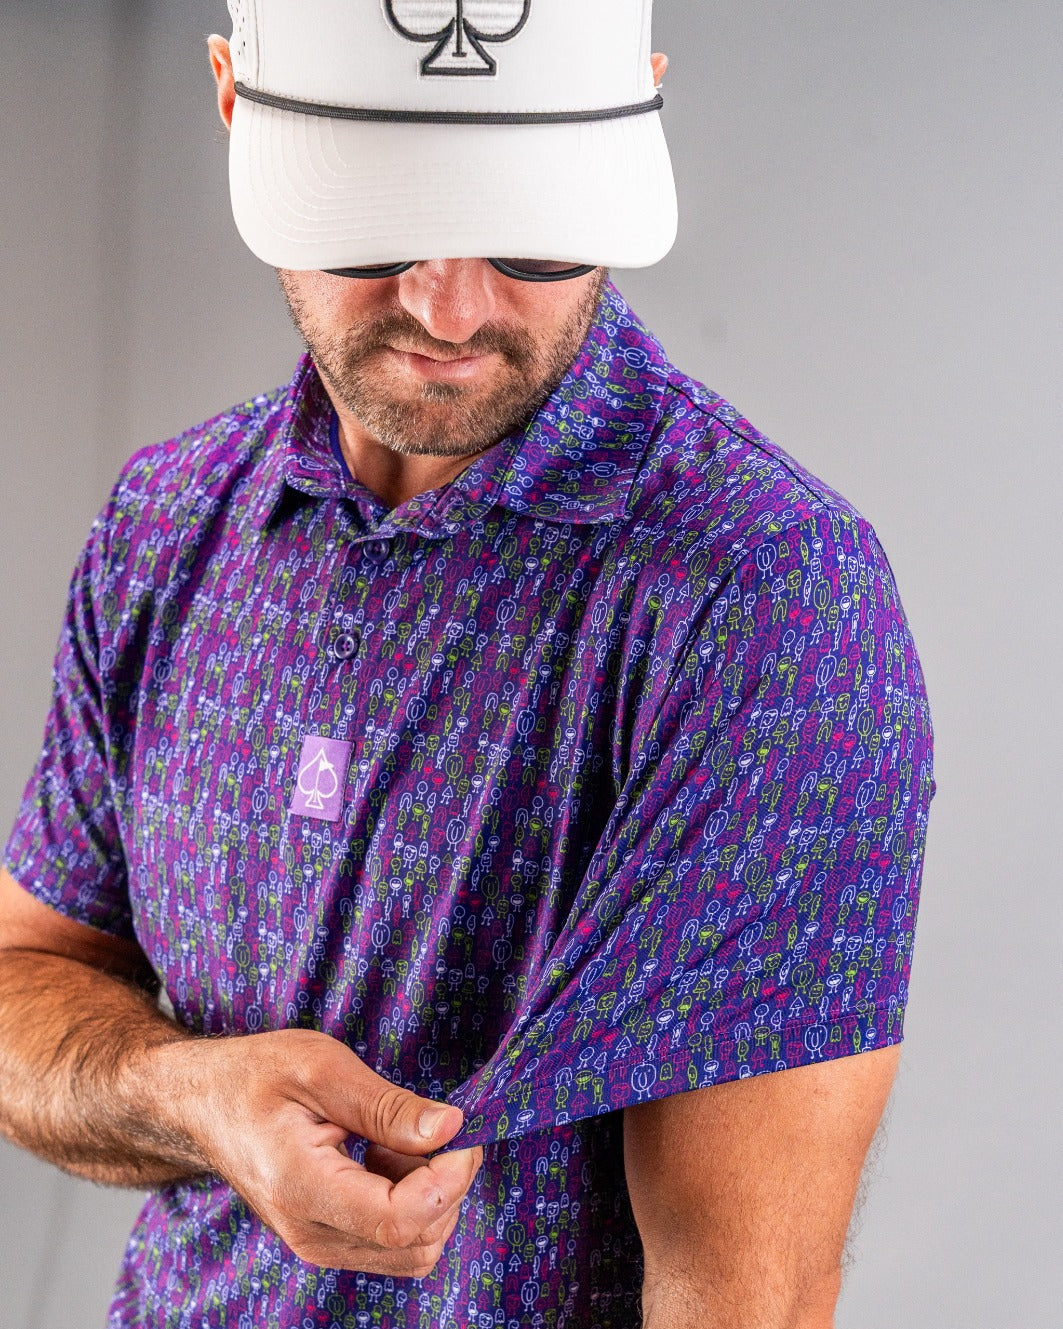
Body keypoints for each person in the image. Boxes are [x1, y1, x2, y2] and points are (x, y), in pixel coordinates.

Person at [0, 2, 937, 1326]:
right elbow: (17, 986)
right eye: (376, 213)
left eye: (531, 222)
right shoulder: (165, 524)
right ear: (232, 99)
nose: (449, 302)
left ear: (638, 112)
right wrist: (191, 1096)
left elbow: (746, 1291)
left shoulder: (759, 593)